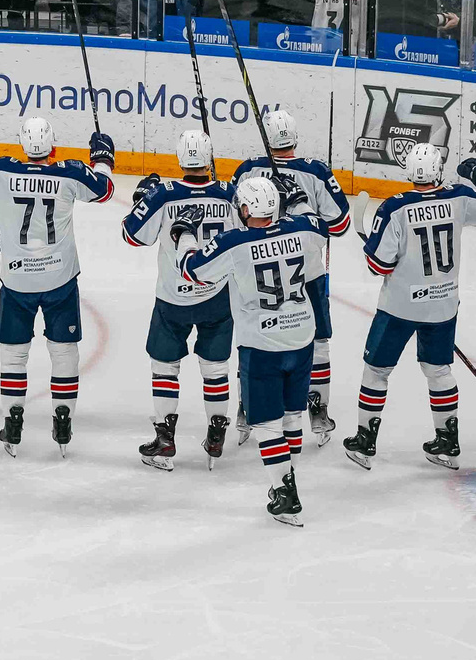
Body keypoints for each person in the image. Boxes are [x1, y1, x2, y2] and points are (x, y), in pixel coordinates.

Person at [0, 104, 118, 456]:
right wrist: (102, 157)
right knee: (64, 352)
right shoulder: (69, 174)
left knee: (14, 357)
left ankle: (12, 421)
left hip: (17, 282)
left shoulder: (2, 171)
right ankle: (64, 418)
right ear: (53, 146)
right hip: (60, 280)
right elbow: (104, 189)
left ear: (22, 145)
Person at [178, 173, 334, 527]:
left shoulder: (234, 242)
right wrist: (298, 201)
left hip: (263, 345)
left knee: (265, 423)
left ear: (246, 210)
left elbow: (192, 271)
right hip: (302, 337)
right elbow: (323, 225)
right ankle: (288, 475)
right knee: (292, 416)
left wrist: (184, 233)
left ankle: (284, 491)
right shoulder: (302, 229)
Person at [344, 142, 476, 471]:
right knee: (438, 370)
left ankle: (365, 440)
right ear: (438, 170)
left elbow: (379, 265)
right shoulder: (458, 197)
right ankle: (447, 442)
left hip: (400, 308)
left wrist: (373, 252)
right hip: (442, 304)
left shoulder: (394, 208)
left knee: (377, 370)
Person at [124, 129, 244, 470]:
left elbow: (131, 235)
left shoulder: (164, 195)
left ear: (179, 158)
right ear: (209, 158)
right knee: (215, 368)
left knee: (165, 366)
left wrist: (141, 200)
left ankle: (165, 438)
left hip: (173, 299)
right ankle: (216, 435)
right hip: (216, 295)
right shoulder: (229, 194)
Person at [230, 104, 354, 430]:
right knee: (319, 341)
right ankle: (318, 408)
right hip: (306, 273)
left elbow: (232, 222)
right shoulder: (316, 171)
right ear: (295, 136)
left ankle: (246, 404)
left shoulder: (248, 170)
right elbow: (340, 225)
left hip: (256, 275)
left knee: (252, 340)